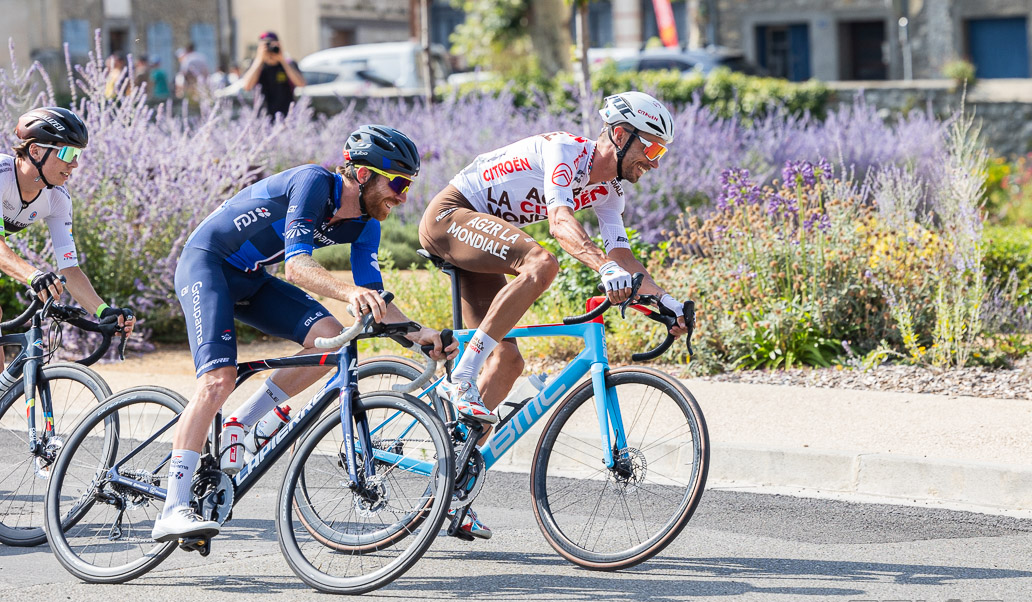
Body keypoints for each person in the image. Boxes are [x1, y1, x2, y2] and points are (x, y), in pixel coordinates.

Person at [152, 124, 454, 542]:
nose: (403, 196)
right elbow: (296, 267)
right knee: (217, 381)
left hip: (249, 276)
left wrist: (420, 333)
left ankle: (244, 422)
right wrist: (350, 293)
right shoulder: (314, 182)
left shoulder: (366, 224)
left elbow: (376, 299)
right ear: (363, 174)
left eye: (408, 186)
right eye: (398, 183)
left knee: (328, 339)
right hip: (207, 266)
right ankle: (172, 508)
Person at [418, 91, 690, 539]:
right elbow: (560, 221)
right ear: (620, 135)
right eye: (652, 148)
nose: (655, 162)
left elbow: (621, 254)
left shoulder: (610, 191)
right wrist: (600, 266)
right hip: (451, 218)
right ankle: (461, 378)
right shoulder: (565, 152)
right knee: (542, 264)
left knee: (508, 363)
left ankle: (445, 490)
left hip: (484, 243)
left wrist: (668, 302)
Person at [0, 107, 136, 372]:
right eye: (68, 153)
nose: (74, 164)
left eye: (78, 155)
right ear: (36, 151)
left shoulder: (58, 198)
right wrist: (34, 275)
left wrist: (103, 311)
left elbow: (69, 269)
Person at [240, 31, 306, 119]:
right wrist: (259, 59)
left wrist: (282, 59)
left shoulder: (289, 63)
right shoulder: (255, 64)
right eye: (266, 46)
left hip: (287, 117)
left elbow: (301, 83)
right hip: (262, 118)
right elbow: (247, 86)